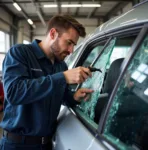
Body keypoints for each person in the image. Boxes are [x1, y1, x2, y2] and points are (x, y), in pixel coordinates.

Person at [0, 14, 94, 150]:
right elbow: (14, 93)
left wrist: (73, 97)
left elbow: (60, 96)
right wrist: (63, 78)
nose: (71, 51)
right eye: (69, 43)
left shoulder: (61, 66)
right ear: (53, 33)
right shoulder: (20, 53)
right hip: (18, 145)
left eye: (74, 45)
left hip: (47, 144)